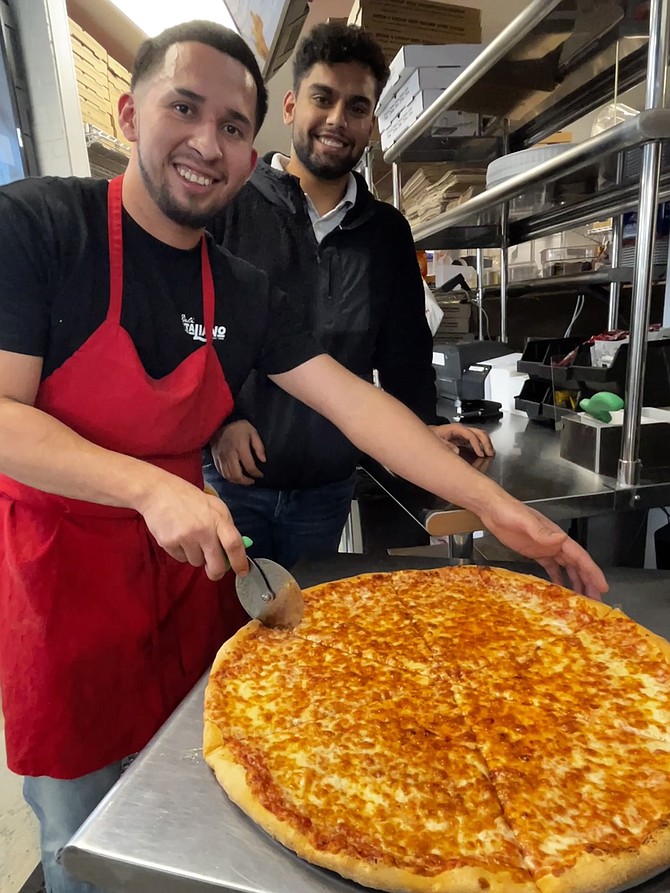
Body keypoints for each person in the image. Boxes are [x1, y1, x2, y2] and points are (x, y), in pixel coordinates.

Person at [0, 20, 606, 893]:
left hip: (191, 578)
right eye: (185, 108)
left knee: (187, 813)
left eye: (235, 127)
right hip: (60, 587)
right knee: (80, 837)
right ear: (131, 116)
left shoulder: (242, 288)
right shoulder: (42, 228)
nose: (208, 143)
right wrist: (141, 486)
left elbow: (354, 400)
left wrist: (501, 508)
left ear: (254, 153)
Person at [204, 21, 493, 568]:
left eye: (357, 107)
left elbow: (405, 354)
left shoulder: (386, 233)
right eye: (323, 98)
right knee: (229, 635)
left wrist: (425, 428)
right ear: (290, 107)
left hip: (327, 486)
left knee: (315, 633)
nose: (338, 120)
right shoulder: (231, 207)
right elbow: (196, 332)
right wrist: (218, 424)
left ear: (371, 123)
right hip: (232, 483)